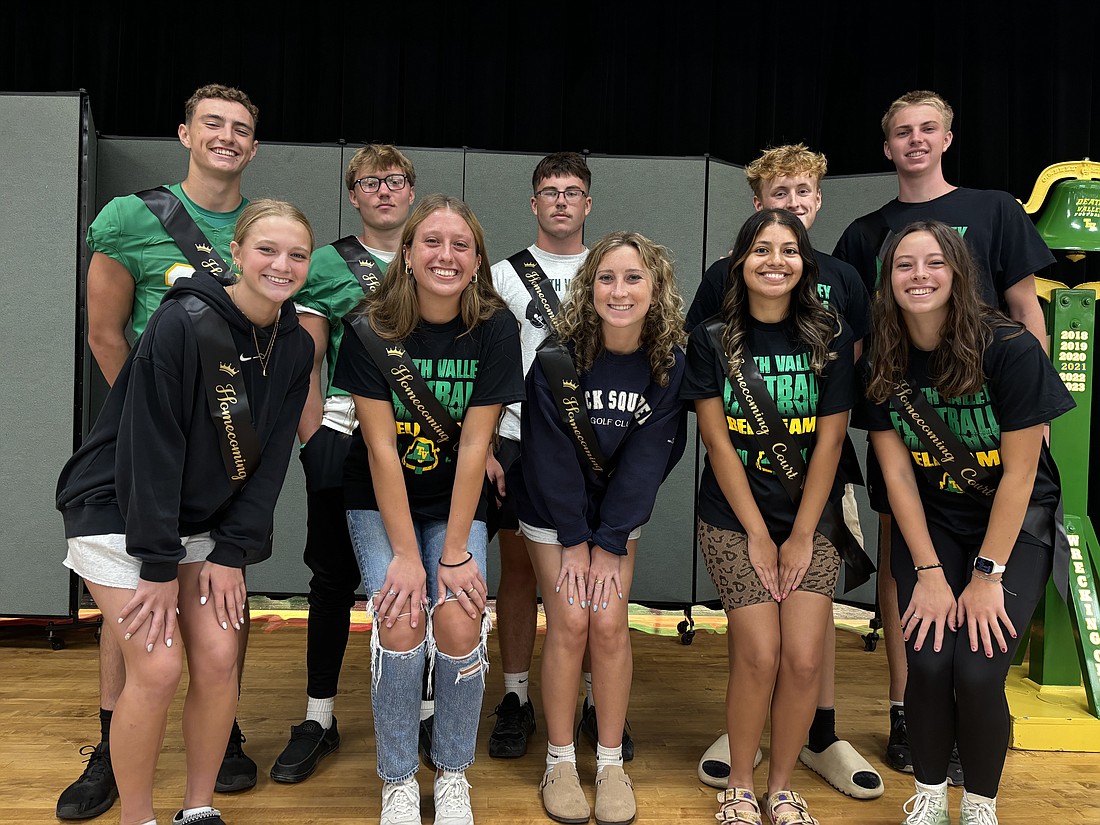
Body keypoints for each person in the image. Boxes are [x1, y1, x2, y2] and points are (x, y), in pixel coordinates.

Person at [56, 199, 316, 825]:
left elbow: (272, 457)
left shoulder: (295, 346)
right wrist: (157, 564)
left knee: (222, 656)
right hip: (120, 509)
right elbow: (153, 447)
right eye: (267, 250)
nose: (281, 265)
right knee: (160, 662)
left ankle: (198, 810)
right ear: (236, 254)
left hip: (201, 523)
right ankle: (137, 817)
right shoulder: (182, 321)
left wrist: (232, 553)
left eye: (297, 255)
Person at [833, 90, 1055, 780]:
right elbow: (861, 336)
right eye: (903, 131)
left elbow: (1026, 307)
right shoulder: (867, 232)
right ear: (888, 146)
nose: (917, 140)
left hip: (996, 431)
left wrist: (1034, 414)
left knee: (982, 627)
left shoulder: (995, 211)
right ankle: (909, 708)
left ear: (948, 138)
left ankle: (980, 712)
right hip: (913, 432)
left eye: (929, 128)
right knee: (917, 572)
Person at [59, 83, 262, 821]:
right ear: (185, 132)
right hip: (139, 451)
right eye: (213, 123)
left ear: (254, 145)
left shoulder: (261, 233)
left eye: (241, 129)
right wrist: (156, 423)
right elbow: (104, 332)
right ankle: (109, 742)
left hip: (221, 457)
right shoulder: (132, 217)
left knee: (215, 605)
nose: (227, 137)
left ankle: (224, 732)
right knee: (137, 615)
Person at [853, 220, 1073, 825]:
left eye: (932, 264)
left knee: (976, 670)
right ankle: (927, 795)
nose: (918, 276)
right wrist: (926, 569)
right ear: (887, 279)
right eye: (904, 265)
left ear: (957, 272)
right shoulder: (881, 356)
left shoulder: (1010, 349)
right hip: (935, 526)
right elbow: (896, 476)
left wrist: (986, 575)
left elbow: (1022, 476)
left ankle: (979, 803)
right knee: (926, 662)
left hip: (1013, 524)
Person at [686, 144, 881, 800]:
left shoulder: (831, 330)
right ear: (741, 260)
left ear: (807, 262)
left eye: (789, 250)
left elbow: (831, 444)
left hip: (813, 505)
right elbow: (714, 441)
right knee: (760, 652)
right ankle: (740, 784)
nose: (777, 259)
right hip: (736, 512)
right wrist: (762, 535)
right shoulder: (712, 333)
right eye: (762, 248)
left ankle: (781, 785)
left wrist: (799, 534)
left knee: (803, 655)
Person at [333, 195, 522, 825]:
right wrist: (410, 560)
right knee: (402, 619)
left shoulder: (496, 327)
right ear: (408, 254)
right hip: (379, 498)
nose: (446, 255)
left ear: (476, 260)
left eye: (460, 245)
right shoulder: (368, 325)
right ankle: (396, 778)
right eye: (432, 242)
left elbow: (475, 444)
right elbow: (381, 450)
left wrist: (455, 553)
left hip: (454, 500)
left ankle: (452, 772)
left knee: (462, 623)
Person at [514, 231, 688, 825]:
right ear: (588, 289)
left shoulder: (668, 363)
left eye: (634, 278)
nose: (619, 290)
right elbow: (548, 457)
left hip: (617, 512)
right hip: (553, 512)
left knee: (609, 624)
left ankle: (610, 761)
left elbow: (651, 458)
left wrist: (609, 541)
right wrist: (574, 540)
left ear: (655, 288)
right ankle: (560, 759)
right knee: (569, 621)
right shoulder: (556, 357)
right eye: (606, 278)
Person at [271, 144, 416, 784]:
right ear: (353, 194)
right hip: (344, 433)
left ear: (411, 191)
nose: (383, 191)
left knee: (427, 579)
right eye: (369, 182)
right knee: (331, 578)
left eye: (395, 181)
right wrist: (312, 438)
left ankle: (430, 709)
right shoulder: (327, 263)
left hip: (424, 439)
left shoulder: (440, 249)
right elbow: (305, 354)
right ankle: (319, 715)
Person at [487, 151, 606, 760]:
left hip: (595, 441)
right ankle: (514, 697)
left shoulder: (610, 270)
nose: (561, 200)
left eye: (572, 190)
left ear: (588, 203)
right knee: (520, 572)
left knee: (594, 576)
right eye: (550, 191)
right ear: (533, 204)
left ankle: (593, 700)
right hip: (519, 438)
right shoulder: (504, 275)